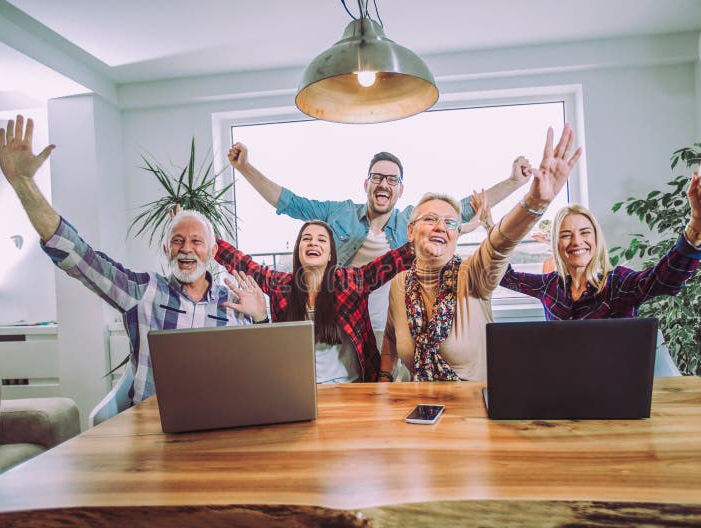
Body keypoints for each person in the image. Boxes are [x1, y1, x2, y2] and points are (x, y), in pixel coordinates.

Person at [0, 115, 267, 404]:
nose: (187, 248)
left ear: (213, 252)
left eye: (196, 241)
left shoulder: (235, 301)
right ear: (166, 250)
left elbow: (264, 369)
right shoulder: (145, 291)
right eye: (178, 241)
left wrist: (261, 318)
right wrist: (24, 184)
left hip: (221, 419)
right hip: (154, 425)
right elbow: (79, 256)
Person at [228, 144, 531, 338]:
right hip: (344, 324)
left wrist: (515, 182)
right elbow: (290, 202)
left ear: (400, 189)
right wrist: (244, 167)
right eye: (377, 177)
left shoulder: (410, 222)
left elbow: (462, 207)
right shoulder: (339, 212)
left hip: (396, 326)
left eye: (392, 179)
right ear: (367, 184)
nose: (383, 183)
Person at [379, 126, 582, 382]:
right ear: (410, 231)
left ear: (456, 234)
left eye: (450, 222)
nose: (441, 226)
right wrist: (384, 377)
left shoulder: (473, 274)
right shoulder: (399, 285)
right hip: (422, 410)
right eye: (430, 219)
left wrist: (534, 203)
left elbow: (499, 245)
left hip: (475, 411)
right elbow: (390, 336)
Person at [498, 170, 701, 319]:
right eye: (566, 235)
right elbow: (503, 276)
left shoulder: (619, 284)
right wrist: (505, 225)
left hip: (614, 387)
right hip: (562, 384)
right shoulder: (548, 285)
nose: (577, 241)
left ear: (596, 239)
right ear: (556, 244)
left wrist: (698, 223)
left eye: (585, 232)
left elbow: (665, 279)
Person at [214, 221, 415, 383]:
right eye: (306, 239)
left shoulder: (351, 282)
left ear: (330, 255)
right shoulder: (281, 285)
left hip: (353, 387)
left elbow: (391, 261)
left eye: (321, 240)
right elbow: (245, 265)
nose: (313, 243)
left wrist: (422, 240)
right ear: (298, 250)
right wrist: (207, 241)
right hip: (300, 388)